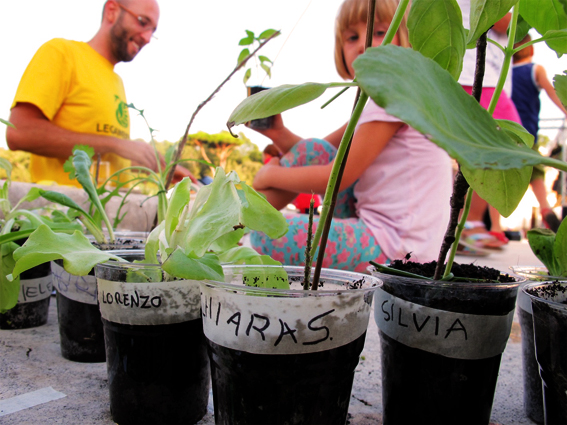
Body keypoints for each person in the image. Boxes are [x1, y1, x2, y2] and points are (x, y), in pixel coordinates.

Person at [247, 0, 453, 272]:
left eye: (379, 33)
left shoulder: (394, 94)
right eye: (352, 37)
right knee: (312, 152)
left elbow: (337, 177)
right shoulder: (380, 101)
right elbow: (319, 151)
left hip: (398, 251)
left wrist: (268, 175)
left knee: (265, 233)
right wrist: (278, 133)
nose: (363, 45)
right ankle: (241, 218)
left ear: (406, 40)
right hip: (384, 235)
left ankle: (238, 221)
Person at [6, 0, 193, 188]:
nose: (147, 38)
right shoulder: (62, 53)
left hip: (109, 214)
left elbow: (105, 157)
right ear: (112, 11)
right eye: (142, 22)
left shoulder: (116, 81)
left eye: (153, 31)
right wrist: (116, 144)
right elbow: (19, 132)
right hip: (63, 212)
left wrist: (159, 169)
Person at [455, 0, 522, 253]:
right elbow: (507, 24)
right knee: (500, 141)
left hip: (471, 69)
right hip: (476, 72)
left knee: (476, 148)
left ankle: (466, 223)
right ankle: (469, 223)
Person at [512, 34, 566, 232]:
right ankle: (545, 209)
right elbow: (554, 93)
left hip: (505, 131)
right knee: (536, 171)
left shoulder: (505, 72)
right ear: (531, 49)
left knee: (500, 173)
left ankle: (492, 227)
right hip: (527, 132)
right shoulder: (535, 69)